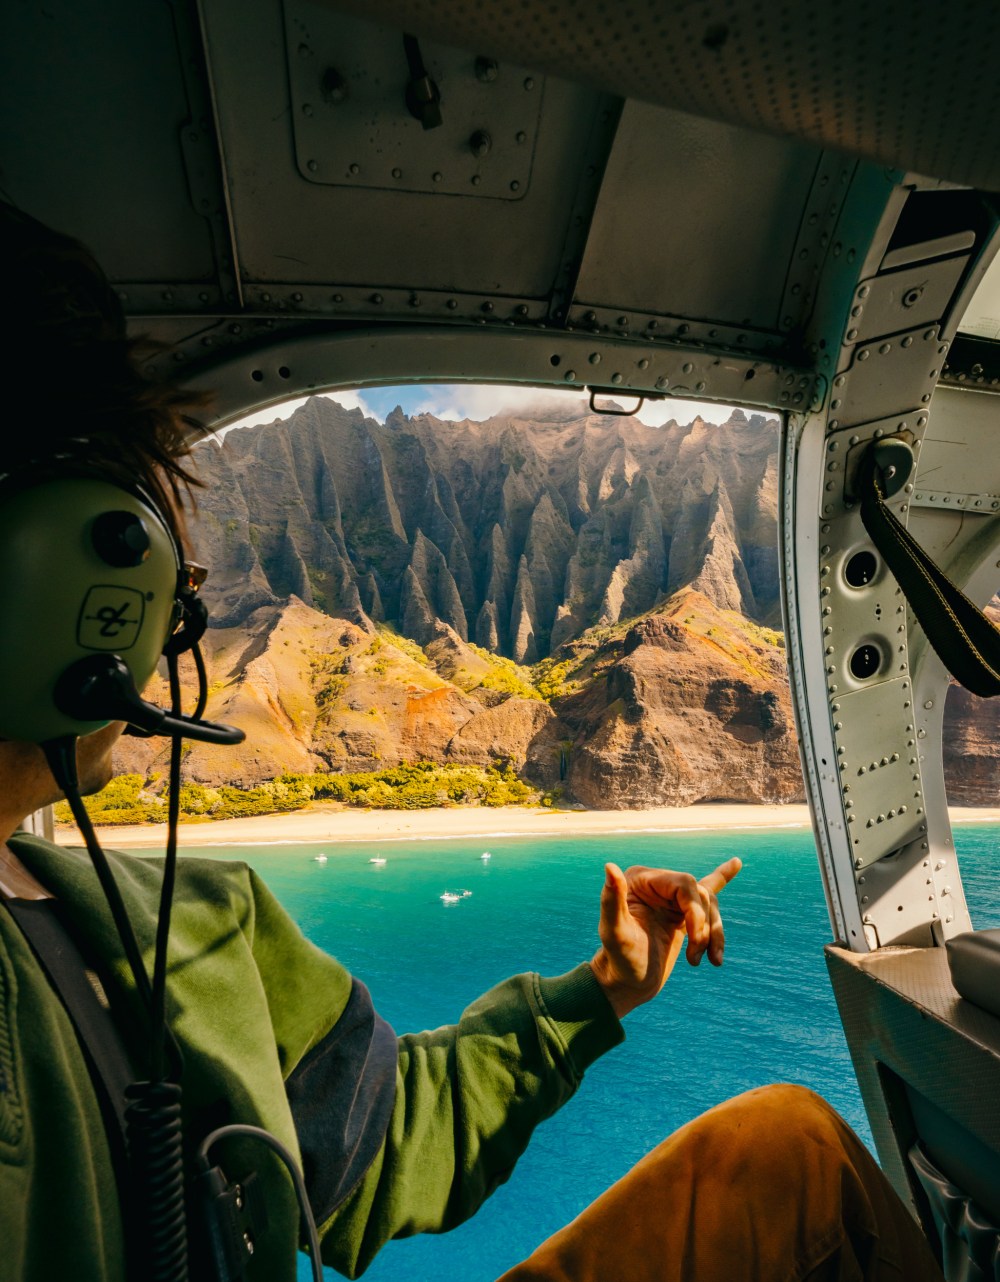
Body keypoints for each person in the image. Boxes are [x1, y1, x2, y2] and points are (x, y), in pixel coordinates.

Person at [0, 204, 945, 1282]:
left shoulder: (201, 924)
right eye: (133, 551)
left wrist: (602, 988)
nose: (177, 611)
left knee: (793, 1155)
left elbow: (391, 1131)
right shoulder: (177, 928)